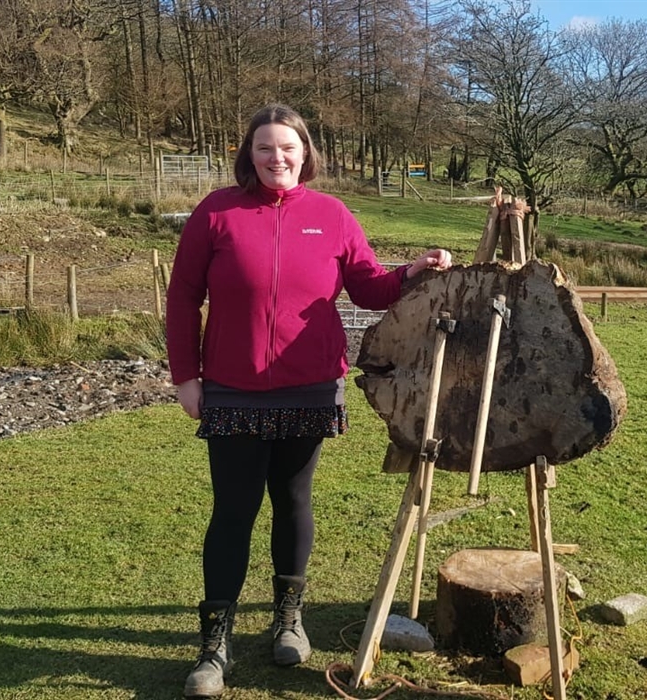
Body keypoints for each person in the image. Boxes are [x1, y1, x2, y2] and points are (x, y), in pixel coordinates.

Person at [165, 103, 452, 698]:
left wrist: (413, 271)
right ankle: (215, 642)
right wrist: (185, 377)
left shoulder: (332, 214)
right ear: (249, 154)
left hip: (310, 385)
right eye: (265, 148)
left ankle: (287, 619)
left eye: (287, 148)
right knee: (233, 510)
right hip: (233, 388)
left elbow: (369, 287)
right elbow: (182, 298)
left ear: (305, 153)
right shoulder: (216, 213)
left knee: (293, 500)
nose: (277, 158)